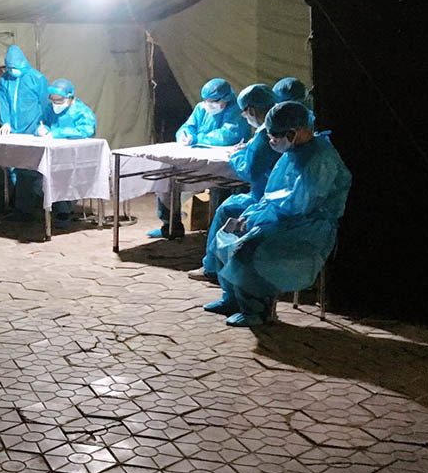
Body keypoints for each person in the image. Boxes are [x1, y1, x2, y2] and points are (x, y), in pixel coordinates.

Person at [203, 101, 351, 326]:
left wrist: (256, 220)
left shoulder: (319, 159)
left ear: (293, 133)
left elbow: (299, 204)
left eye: (275, 137)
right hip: (286, 219)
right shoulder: (295, 151)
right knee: (228, 231)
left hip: (309, 228)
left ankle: (258, 311)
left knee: (247, 248)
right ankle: (232, 299)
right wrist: (252, 214)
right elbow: (274, 193)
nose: (272, 142)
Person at [189, 83, 280, 282]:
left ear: (252, 110)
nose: (244, 116)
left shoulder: (265, 136)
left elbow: (249, 171)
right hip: (273, 196)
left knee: (226, 209)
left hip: (265, 199)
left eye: (245, 112)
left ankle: (213, 268)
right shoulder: (275, 131)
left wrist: (237, 155)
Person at [149, 78, 250, 238]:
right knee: (166, 176)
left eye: (213, 101)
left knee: (221, 185)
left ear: (225, 98)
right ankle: (170, 226)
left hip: (223, 161)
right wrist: (185, 135)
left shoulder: (236, 110)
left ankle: (218, 232)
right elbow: (188, 126)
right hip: (198, 156)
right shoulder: (201, 108)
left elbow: (229, 135)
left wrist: (198, 138)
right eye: (206, 100)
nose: (209, 104)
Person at [0, 45, 48, 219]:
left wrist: (44, 125)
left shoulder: (36, 78)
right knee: (12, 167)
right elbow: (3, 103)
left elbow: (44, 104)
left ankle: (32, 206)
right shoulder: (4, 81)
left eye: (15, 67)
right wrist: (5, 122)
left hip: (33, 129)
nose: (12, 71)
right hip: (12, 131)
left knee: (32, 168)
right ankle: (17, 206)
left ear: (23, 64)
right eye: (9, 67)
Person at [35, 78, 96, 228]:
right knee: (38, 179)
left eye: (59, 100)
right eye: (53, 99)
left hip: (76, 157)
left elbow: (86, 130)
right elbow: (43, 122)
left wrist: (58, 133)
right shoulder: (50, 109)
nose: (56, 103)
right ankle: (55, 209)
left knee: (65, 179)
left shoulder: (82, 111)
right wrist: (41, 129)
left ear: (70, 97)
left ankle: (63, 212)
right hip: (54, 155)